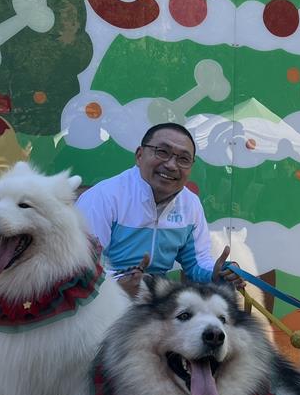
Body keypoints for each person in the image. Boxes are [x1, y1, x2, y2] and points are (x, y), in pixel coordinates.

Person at [76, 123, 244, 298]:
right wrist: (118, 284)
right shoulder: (104, 197)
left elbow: (197, 263)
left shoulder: (190, 203)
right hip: (102, 301)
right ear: (139, 155)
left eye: (183, 159)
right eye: (162, 152)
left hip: (155, 304)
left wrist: (217, 272)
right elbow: (81, 267)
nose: (171, 165)